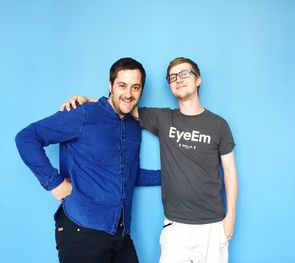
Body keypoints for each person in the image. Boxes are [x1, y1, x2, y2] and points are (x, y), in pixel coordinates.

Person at [62, 57, 238, 263]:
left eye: (184, 74)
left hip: (212, 224)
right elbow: (122, 104)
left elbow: (229, 171)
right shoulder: (163, 119)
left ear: (198, 79)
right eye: (173, 77)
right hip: (176, 226)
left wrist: (230, 216)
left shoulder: (219, 125)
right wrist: (87, 99)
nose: (178, 79)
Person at [15, 57, 161, 263]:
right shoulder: (82, 114)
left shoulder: (133, 126)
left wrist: (173, 176)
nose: (128, 94)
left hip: (119, 233)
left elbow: (127, 174)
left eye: (135, 87)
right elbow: (26, 137)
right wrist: (53, 183)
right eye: (122, 85)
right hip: (82, 230)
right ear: (110, 85)